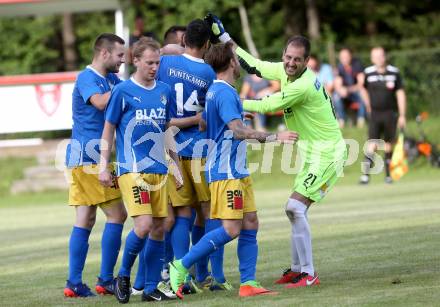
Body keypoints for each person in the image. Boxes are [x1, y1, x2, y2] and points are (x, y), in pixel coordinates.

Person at [204, 13, 347, 288]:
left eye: (297, 60)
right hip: (312, 153)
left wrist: (229, 100)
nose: (291, 63)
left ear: (307, 62)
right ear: (284, 55)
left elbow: (268, 104)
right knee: (294, 210)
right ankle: (297, 269)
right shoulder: (285, 70)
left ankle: (308, 274)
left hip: (328, 154)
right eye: (288, 57)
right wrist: (224, 37)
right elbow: (254, 65)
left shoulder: (304, 85)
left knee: (294, 207)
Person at [169, 42, 298, 298]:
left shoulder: (218, 90)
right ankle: (180, 265)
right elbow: (238, 132)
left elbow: (207, 124)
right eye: (237, 59)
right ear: (231, 63)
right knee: (231, 229)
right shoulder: (225, 93)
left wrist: (233, 121)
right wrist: (275, 137)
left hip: (236, 169)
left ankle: (248, 283)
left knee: (251, 223)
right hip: (226, 171)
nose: (239, 62)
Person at [99, 37, 176, 303]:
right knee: (143, 225)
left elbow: (166, 131)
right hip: (132, 169)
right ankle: (122, 275)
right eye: (149, 62)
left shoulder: (165, 91)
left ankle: (151, 288)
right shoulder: (122, 91)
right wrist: (102, 166)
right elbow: (108, 129)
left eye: (158, 62)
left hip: (159, 169)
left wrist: (175, 166)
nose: (154, 67)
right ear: (136, 61)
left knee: (160, 227)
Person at [157, 19, 231, 291]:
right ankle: (212, 276)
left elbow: (160, 51)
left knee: (182, 212)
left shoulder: (164, 63)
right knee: (209, 211)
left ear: (184, 40)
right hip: (200, 149)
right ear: (207, 44)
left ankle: (182, 278)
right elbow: (208, 116)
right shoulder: (210, 74)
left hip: (170, 148)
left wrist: (172, 49)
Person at [63, 33, 127, 297]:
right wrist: (125, 87)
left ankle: (74, 283)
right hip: (88, 157)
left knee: (85, 219)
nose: (123, 60)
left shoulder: (111, 79)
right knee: (117, 215)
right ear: (104, 54)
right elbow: (101, 102)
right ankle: (104, 279)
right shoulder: (87, 77)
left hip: (88, 157)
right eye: (119, 55)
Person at [358, 46, 407, 184]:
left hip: (390, 114)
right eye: (376, 56)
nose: (379, 58)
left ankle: (388, 175)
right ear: (372, 58)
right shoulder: (368, 73)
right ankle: (365, 175)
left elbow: (400, 94)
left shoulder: (394, 72)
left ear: (385, 56)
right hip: (375, 113)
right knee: (372, 144)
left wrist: (402, 115)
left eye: (381, 55)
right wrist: (368, 105)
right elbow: (362, 88)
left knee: (388, 144)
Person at [334, 48, 366, 128]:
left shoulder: (358, 65)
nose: (344, 59)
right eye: (342, 57)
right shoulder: (340, 67)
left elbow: (361, 84)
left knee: (362, 93)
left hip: (356, 91)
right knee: (336, 95)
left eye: (346, 56)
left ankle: (361, 119)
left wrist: (348, 90)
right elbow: (338, 84)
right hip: (346, 93)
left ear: (350, 56)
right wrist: (341, 90)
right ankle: (341, 120)